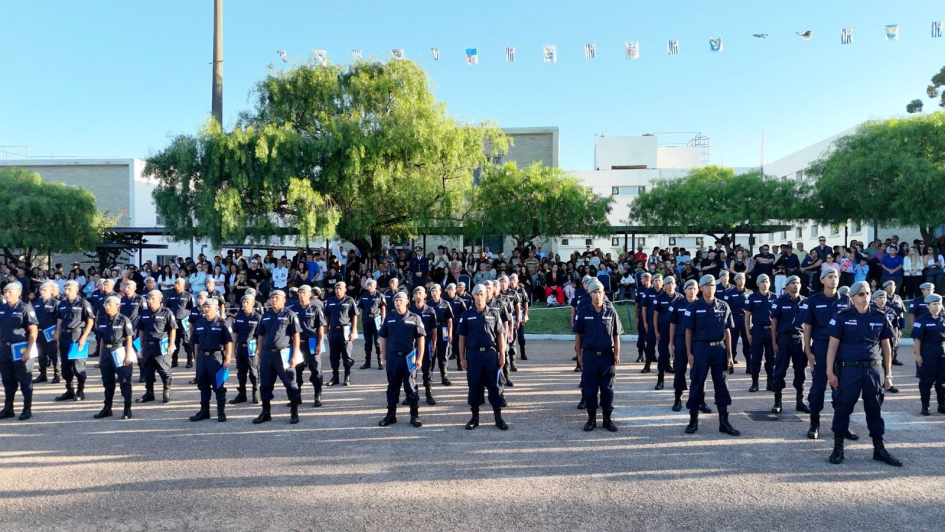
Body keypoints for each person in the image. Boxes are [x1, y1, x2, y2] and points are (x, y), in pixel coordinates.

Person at [825, 281, 901, 467]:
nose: (865, 297)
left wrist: (888, 375)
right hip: (849, 370)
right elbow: (832, 346)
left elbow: (886, 347)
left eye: (867, 293)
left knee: (874, 409)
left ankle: (879, 449)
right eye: (860, 294)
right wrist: (829, 371)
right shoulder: (842, 317)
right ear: (852, 297)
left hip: (873, 370)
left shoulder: (880, 316)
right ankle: (838, 448)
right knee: (843, 408)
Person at [682, 275, 740, 436]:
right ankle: (693, 420)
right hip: (700, 349)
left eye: (713, 285)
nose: (710, 288)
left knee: (722, 384)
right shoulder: (693, 307)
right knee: (697, 383)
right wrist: (689, 353)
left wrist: (729, 354)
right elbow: (688, 331)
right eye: (707, 286)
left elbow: (727, 330)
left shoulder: (723, 306)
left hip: (719, 349)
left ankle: (724, 422)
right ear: (700, 288)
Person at [799, 268, 853, 439]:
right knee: (818, 387)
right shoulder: (813, 300)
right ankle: (814, 423)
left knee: (842, 388)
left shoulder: (846, 300)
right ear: (822, 280)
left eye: (836, 276)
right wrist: (808, 351)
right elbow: (807, 327)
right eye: (830, 277)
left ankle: (841, 426)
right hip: (821, 346)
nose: (833, 279)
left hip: (842, 348)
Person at [573, 278, 623, 432]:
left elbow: (616, 335)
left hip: (607, 356)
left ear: (603, 293)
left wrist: (617, 354)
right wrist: (579, 355)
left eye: (600, 292)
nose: (597, 295)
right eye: (594, 292)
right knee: (590, 389)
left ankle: (607, 419)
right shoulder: (583, 311)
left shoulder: (611, 311)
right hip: (589, 356)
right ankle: (591, 418)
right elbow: (578, 335)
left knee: (607, 389)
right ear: (590, 294)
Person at [458, 283, 508, 430]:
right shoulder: (467, 315)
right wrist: (462, 357)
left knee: (494, 386)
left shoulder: (493, 313)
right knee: (474, 386)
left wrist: (502, 355)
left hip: (490, 354)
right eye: (477, 294)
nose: (479, 296)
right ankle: (474, 417)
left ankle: (498, 417)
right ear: (472, 295)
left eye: (482, 294)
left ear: (486, 295)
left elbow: (500, 335)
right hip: (473, 355)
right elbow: (461, 337)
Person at [377, 291, 426, 428]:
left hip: (409, 357)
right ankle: (391, 415)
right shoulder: (389, 318)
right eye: (396, 300)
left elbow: (421, 339)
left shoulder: (415, 318)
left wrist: (420, 358)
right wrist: (384, 358)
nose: (398, 303)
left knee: (411, 386)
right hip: (393, 357)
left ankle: (414, 415)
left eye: (400, 300)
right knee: (393, 386)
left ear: (406, 302)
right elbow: (383, 338)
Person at [253, 290, 302, 424]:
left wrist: (295, 355)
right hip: (267, 354)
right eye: (272, 297)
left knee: (290, 384)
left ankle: (294, 412)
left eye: (277, 297)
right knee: (265, 385)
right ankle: (266, 412)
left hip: (284, 354)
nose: (274, 300)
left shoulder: (289, 314)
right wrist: (260, 352)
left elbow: (296, 335)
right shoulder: (266, 316)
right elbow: (261, 335)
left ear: (283, 299)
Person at [188, 298, 232, 422]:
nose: (206, 309)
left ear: (216, 308)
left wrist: (227, 359)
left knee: (218, 385)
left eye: (209, 307)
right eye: (204, 307)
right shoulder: (199, 323)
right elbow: (195, 342)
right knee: (203, 384)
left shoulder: (222, 323)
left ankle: (221, 411)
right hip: (202, 357)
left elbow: (228, 342)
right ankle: (204, 411)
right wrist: (196, 357)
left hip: (216, 357)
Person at [769, 275, 809, 415]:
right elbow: (774, 322)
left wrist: (809, 344)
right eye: (792, 283)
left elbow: (810, 324)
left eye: (798, 282)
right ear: (787, 286)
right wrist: (774, 341)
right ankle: (778, 401)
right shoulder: (779, 301)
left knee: (801, 371)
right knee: (780, 370)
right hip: (784, 339)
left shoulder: (806, 302)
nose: (796, 285)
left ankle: (800, 401)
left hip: (800, 339)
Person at [92, 296, 136, 420]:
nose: (107, 307)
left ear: (117, 306)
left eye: (110, 305)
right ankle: (107, 408)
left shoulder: (124, 320)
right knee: (107, 381)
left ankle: (127, 408)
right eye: (106, 305)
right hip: (106, 351)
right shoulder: (102, 320)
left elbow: (129, 338)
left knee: (124, 380)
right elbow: (101, 340)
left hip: (120, 350)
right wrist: (101, 357)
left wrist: (128, 356)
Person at [0, 282, 38, 421]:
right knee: (7, 380)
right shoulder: (2, 309)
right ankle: (8, 408)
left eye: (10, 291)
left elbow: (33, 331)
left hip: (20, 347)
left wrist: (29, 351)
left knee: (24, 380)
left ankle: (27, 408)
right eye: (5, 292)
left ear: (18, 293)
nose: (6, 294)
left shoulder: (25, 308)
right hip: (4, 348)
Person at [54, 280, 95, 402]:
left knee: (78, 365)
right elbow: (60, 321)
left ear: (76, 289)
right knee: (65, 366)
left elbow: (90, 321)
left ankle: (80, 390)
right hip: (65, 336)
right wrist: (57, 335)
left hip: (77, 335)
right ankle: (69, 389)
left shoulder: (83, 303)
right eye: (65, 288)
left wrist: (83, 337)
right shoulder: (62, 304)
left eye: (69, 289)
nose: (66, 291)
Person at [135, 290, 177, 405]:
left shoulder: (166, 312)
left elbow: (172, 329)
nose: (150, 301)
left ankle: (166, 392)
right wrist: (141, 346)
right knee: (147, 369)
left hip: (161, 345)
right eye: (148, 299)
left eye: (152, 298)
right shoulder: (144, 313)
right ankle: (149, 393)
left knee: (164, 370)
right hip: (148, 345)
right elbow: (141, 331)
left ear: (160, 299)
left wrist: (171, 345)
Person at [911, 294, 945, 416]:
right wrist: (918, 355)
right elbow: (917, 339)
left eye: (939, 303)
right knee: (926, 380)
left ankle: (942, 405)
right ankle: (925, 405)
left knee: (942, 381)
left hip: (943, 351)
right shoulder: (921, 319)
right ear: (928, 305)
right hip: (927, 351)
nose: (937, 306)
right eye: (934, 304)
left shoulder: (944, 317)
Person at [293, 285, 326, 407]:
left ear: (310, 294)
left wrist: (319, 344)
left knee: (316, 371)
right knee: (296, 372)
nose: (301, 294)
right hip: (297, 345)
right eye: (300, 292)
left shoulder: (315, 309)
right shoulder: (292, 309)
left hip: (311, 343)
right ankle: (297, 396)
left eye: (304, 292)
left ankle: (317, 395)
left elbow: (320, 327)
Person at [744, 274, 777, 393]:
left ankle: (770, 382)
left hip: (771, 331)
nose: (765, 283)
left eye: (767, 281)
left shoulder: (775, 297)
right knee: (756, 358)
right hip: (757, 330)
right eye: (762, 281)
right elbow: (747, 317)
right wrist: (748, 333)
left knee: (771, 358)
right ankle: (755, 383)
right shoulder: (752, 298)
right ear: (758, 284)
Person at [668, 280, 698, 411]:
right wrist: (671, 343)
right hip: (680, 339)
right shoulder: (677, 304)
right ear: (684, 290)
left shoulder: (701, 304)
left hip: (697, 340)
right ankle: (678, 398)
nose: (692, 291)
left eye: (694, 288)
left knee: (698, 371)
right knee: (679, 369)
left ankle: (699, 400)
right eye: (689, 288)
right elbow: (672, 324)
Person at [323, 282, 359, 386]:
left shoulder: (349, 300)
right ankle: (335, 377)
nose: (338, 290)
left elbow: (354, 317)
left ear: (345, 289)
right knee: (334, 355)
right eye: (336, 288)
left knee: (346, 355)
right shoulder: (330, 300)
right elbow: (327, 316)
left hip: (345, 330)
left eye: (340, 288)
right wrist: (326, 331)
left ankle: (347, 377)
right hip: (334, 330)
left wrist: (353, 331)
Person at [229, 294, 262, 405]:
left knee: (253, 371)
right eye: (243, 302)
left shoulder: (257, 317)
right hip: (241, 347)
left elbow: (261, 335)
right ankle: (242, 394)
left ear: (253, 303)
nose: (244, 304)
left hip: (252, 348)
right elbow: (235, 333)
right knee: (241, 373)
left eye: (247, 302)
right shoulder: (239, 316)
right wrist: (234, 348)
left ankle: (256, 392)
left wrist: (259, 349)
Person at [652, 277, 681, 391]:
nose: (670, 285)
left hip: (677, 329)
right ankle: (660, 380)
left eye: (672, 283)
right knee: (663, 355)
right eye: (667, 283)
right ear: (664, 285)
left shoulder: (680, 298)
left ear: (675, 284)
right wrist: (656, 331)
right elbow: (655, 315)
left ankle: (679, 381)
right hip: (663, 328)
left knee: (679, 355)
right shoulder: (659, 298)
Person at [31, 281, 61, 384]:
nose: (42, 292)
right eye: (41, 290)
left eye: (44, 290)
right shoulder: (36, 303)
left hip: (50, 333)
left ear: (51, 291)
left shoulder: (56, 303)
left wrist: (57, 333)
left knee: (53, 354)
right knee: (41, 354)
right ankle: (42, 374)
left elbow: (59, 320)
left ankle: (57, 373)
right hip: (39, 332)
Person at [721, 272, 752, 371]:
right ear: (735, 280)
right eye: (739, 278)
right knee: (732, 342)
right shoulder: (729, 293)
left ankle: (749, 366)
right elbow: (726, 307)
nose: (742, 280)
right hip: (734, 319)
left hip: (745, 320)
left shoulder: (749, 293)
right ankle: (730, 364)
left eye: (743, 278)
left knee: (747, 343)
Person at [428, 284, 455, 387]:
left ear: (440, 291)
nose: (434, 292)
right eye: (432, 290)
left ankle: (444, 376)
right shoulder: (428, 304)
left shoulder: (446, 304)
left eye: (436, 290)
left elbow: (449, 320)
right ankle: (429, 377)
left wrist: (450, 333)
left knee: (443, 354)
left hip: (443, 329)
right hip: (431, 330)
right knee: (431, 354)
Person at [357, 279, 386, 370]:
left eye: (371, 285)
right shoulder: (364, 295)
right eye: (368, 285)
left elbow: (383, 308)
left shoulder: (379, 295)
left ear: (375, 286)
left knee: (377, 342)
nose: (369, 286)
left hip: (376, 319)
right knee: (368, 342)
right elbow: (361, 309)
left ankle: (380, 362)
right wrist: (361, 321)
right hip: (366, 319)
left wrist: (383, 320)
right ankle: (367, 362)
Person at [166, 278, 195, 369]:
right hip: (174, 322)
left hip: (184, 322)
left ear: (183, 285)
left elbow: (192, 309)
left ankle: (189, 359)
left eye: (178, 284)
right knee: (174, 341)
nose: (176, 285)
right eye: (175, 284)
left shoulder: (188, 296)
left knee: (187, 342)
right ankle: (174, 360)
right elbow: (168, 308)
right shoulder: (171, 295)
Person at [641, 274, 663, 373]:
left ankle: (665, 365)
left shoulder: (665, 293)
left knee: (663, 345)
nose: (657, 282)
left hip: (663, 322)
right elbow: (644, 308)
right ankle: (647, 365)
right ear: (652, 282)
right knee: (650, 343)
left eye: (659, 280)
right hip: (650, 321)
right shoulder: (647, 292)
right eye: (655, 280)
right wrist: (645, 322)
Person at [882, 280, 905, 371]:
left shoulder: (898, 298)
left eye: (893, 286)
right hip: (886, 323)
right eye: (890, 286)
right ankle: (886, 358)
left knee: (896, 341)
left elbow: (902, 312)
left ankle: (894, 358)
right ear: (885, 288)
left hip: (896, 323)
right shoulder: (882, 297)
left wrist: (901, 326)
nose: (892, 288)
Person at [510, 274, 530, 361]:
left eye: (514, 279)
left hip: (519, 315)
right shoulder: (507, 291)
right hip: (510, 316)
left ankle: (523, 352)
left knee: (521, 335)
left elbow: (525, 302)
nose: (512, 281)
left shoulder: (521, 290)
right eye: (511, 279)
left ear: (518, 280)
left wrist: (526, 315)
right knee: (511, 336)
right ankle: (511, 354)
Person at [634, 273, 652, 363]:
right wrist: (636, 316)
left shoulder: (654, 289)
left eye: (642, 279)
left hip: (652, 315)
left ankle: (651, 354)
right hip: (642, 314)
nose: (641, 280)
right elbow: (637, 304)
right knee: (641, 336)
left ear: (647, 279)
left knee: (651, 337)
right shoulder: (639, 289)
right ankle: (640, 354)